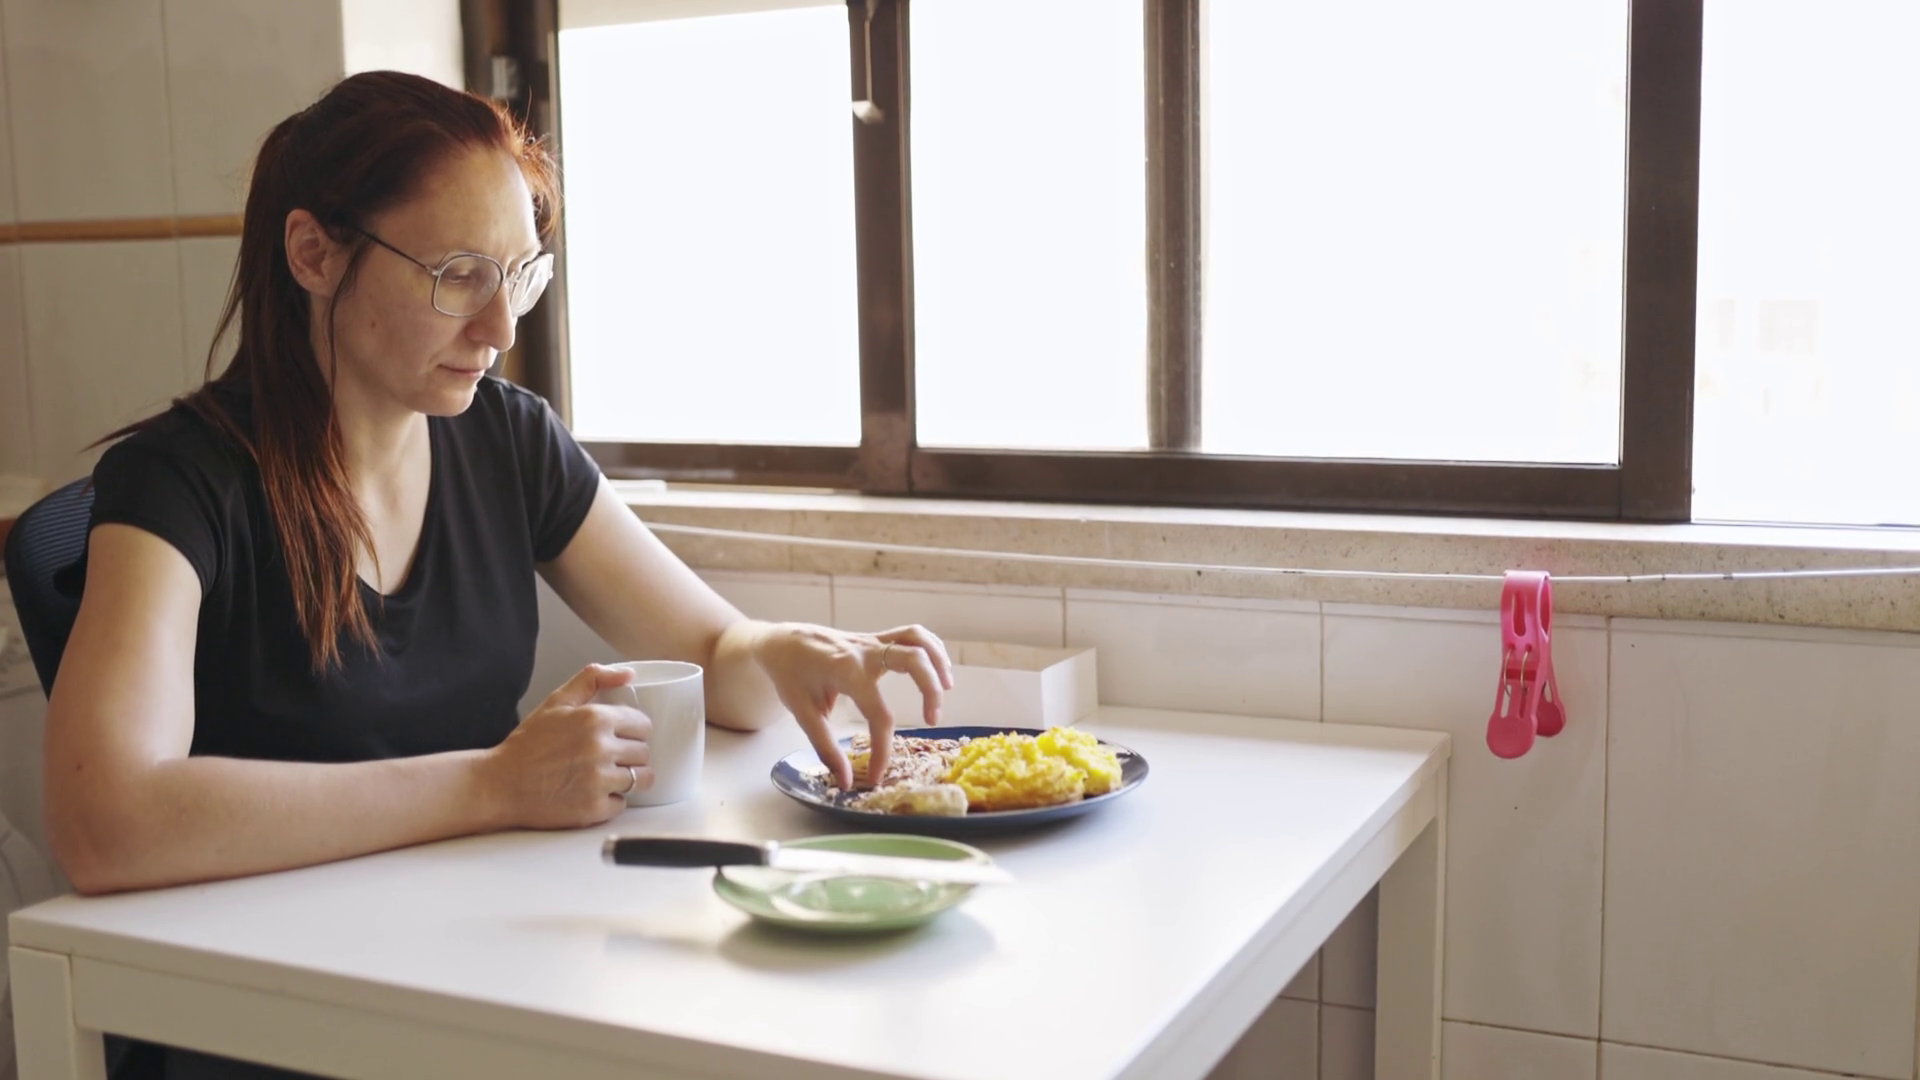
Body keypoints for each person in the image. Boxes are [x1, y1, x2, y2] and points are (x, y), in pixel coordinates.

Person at [42, 71, 949, 1078]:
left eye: (518, 276)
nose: (500, 329)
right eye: (459, 275)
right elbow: (105, 820)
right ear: (314, 253)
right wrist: (489, 785)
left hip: (466, 968)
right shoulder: (178, 481)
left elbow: (709, 652)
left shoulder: (505, 438)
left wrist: (792, 652)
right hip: (263, 1016)